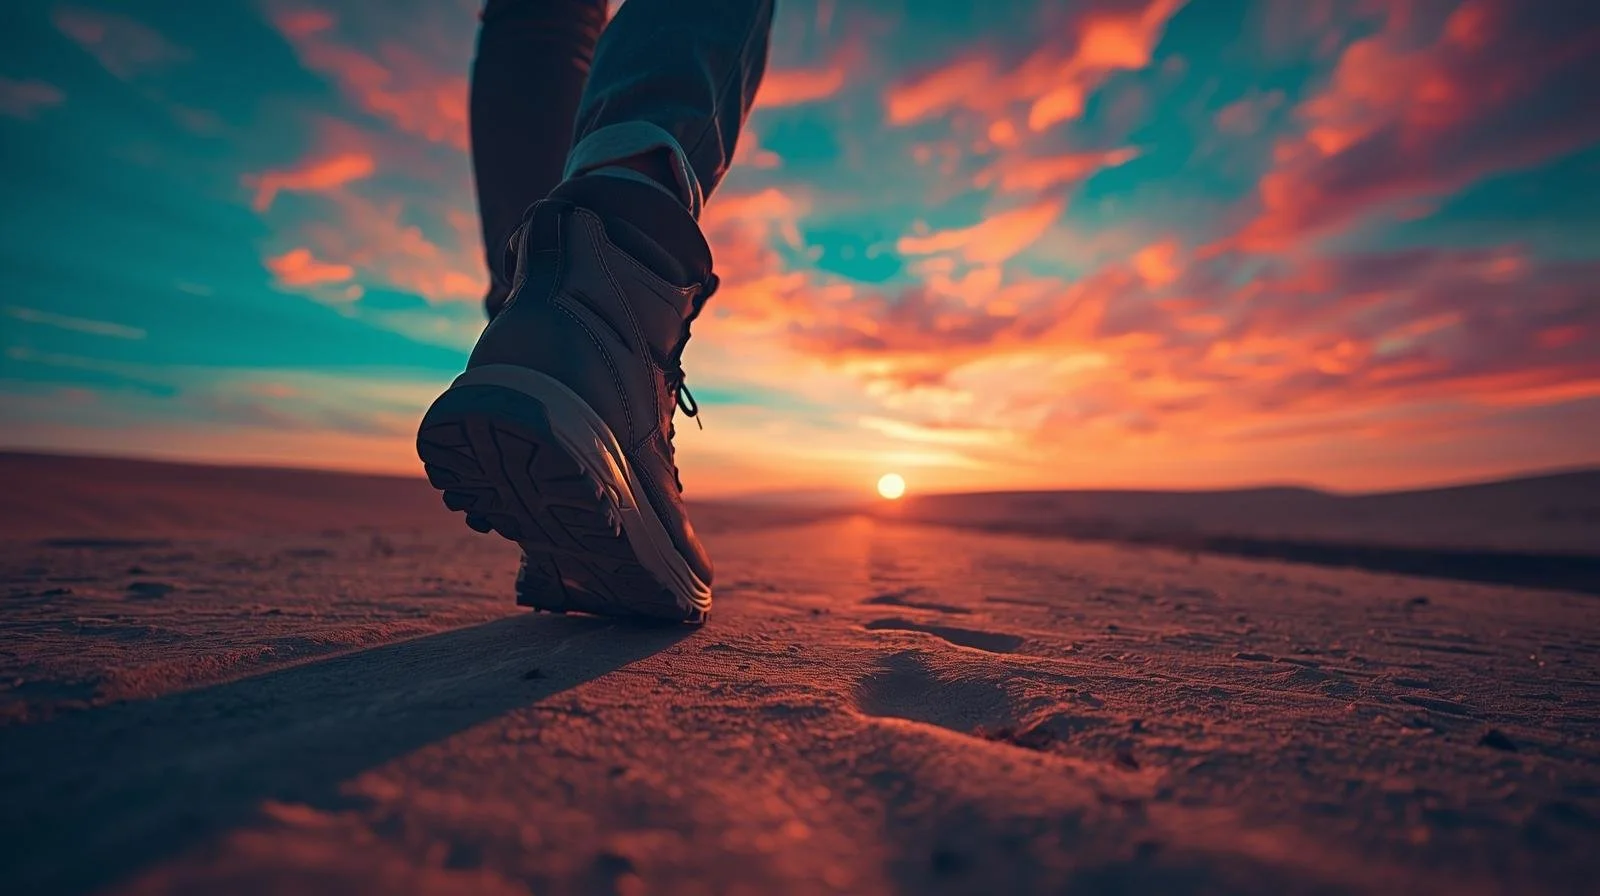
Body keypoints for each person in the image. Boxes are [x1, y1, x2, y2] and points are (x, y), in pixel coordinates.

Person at [416, 0, 775, 624]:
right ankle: (616, 284)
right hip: (609, 328)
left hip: (536, 338)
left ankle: (545, 329)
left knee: (542, 13)